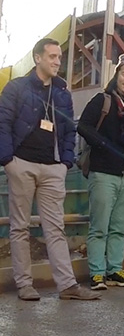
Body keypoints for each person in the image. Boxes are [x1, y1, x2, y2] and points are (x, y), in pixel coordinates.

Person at [0, 38, 99, 301]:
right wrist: (8, 160)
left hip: (53, 168)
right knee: (20, 227)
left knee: (55, 228)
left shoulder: (62, 93)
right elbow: (3, 123)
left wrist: (65, 162)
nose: (57, 62)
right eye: (53, 56)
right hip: (21, 164)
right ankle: (25, 285)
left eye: (59, 57)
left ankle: (67, 286)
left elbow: (69, 131)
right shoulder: (16, 88)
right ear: (38, 58)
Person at [78, 53, 124, 290]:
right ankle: (97, 273)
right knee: (99, 226)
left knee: (120, 227)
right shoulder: (102, 100)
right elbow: (83, 126)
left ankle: (115, 269)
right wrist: (104, 145)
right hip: (103, 172)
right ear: (116, 76)